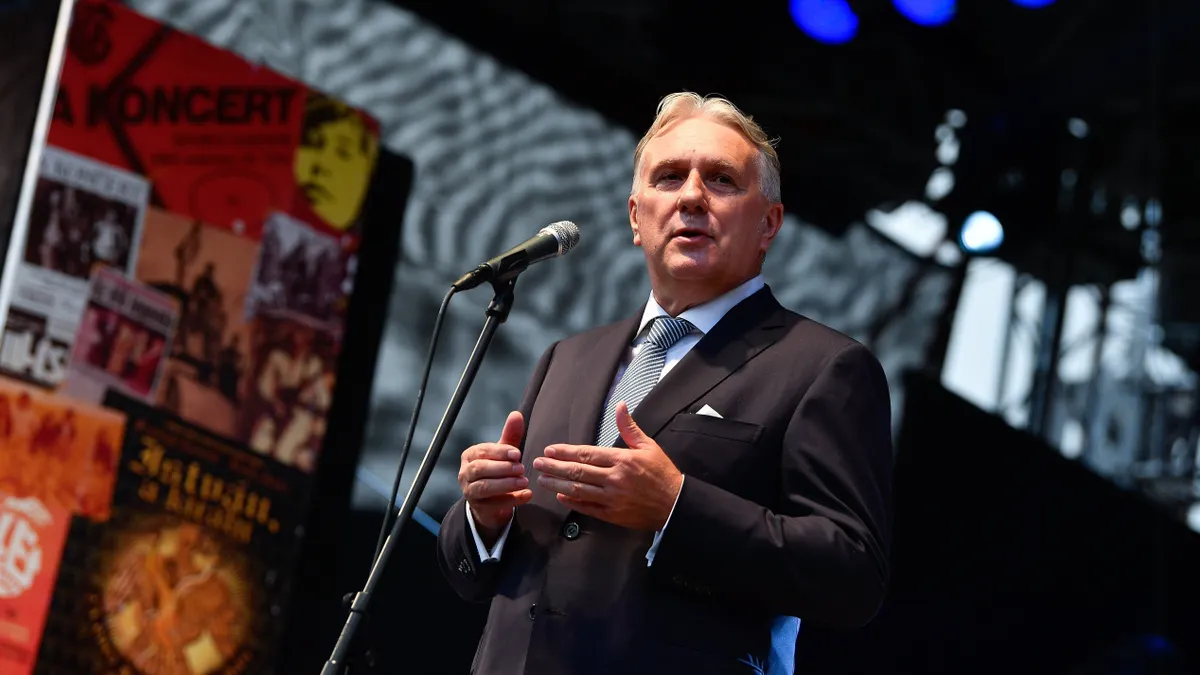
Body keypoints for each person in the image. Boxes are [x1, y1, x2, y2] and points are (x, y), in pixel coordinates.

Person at [437, 92, 893, 675]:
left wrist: (677, 507)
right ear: (636, 217)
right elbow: (473, 577)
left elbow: (852, 574)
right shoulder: (567, 358)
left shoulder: (822, 366)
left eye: (722, 180)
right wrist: (484, 520)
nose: (692, 196)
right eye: (670, 177)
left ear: (769, 224)